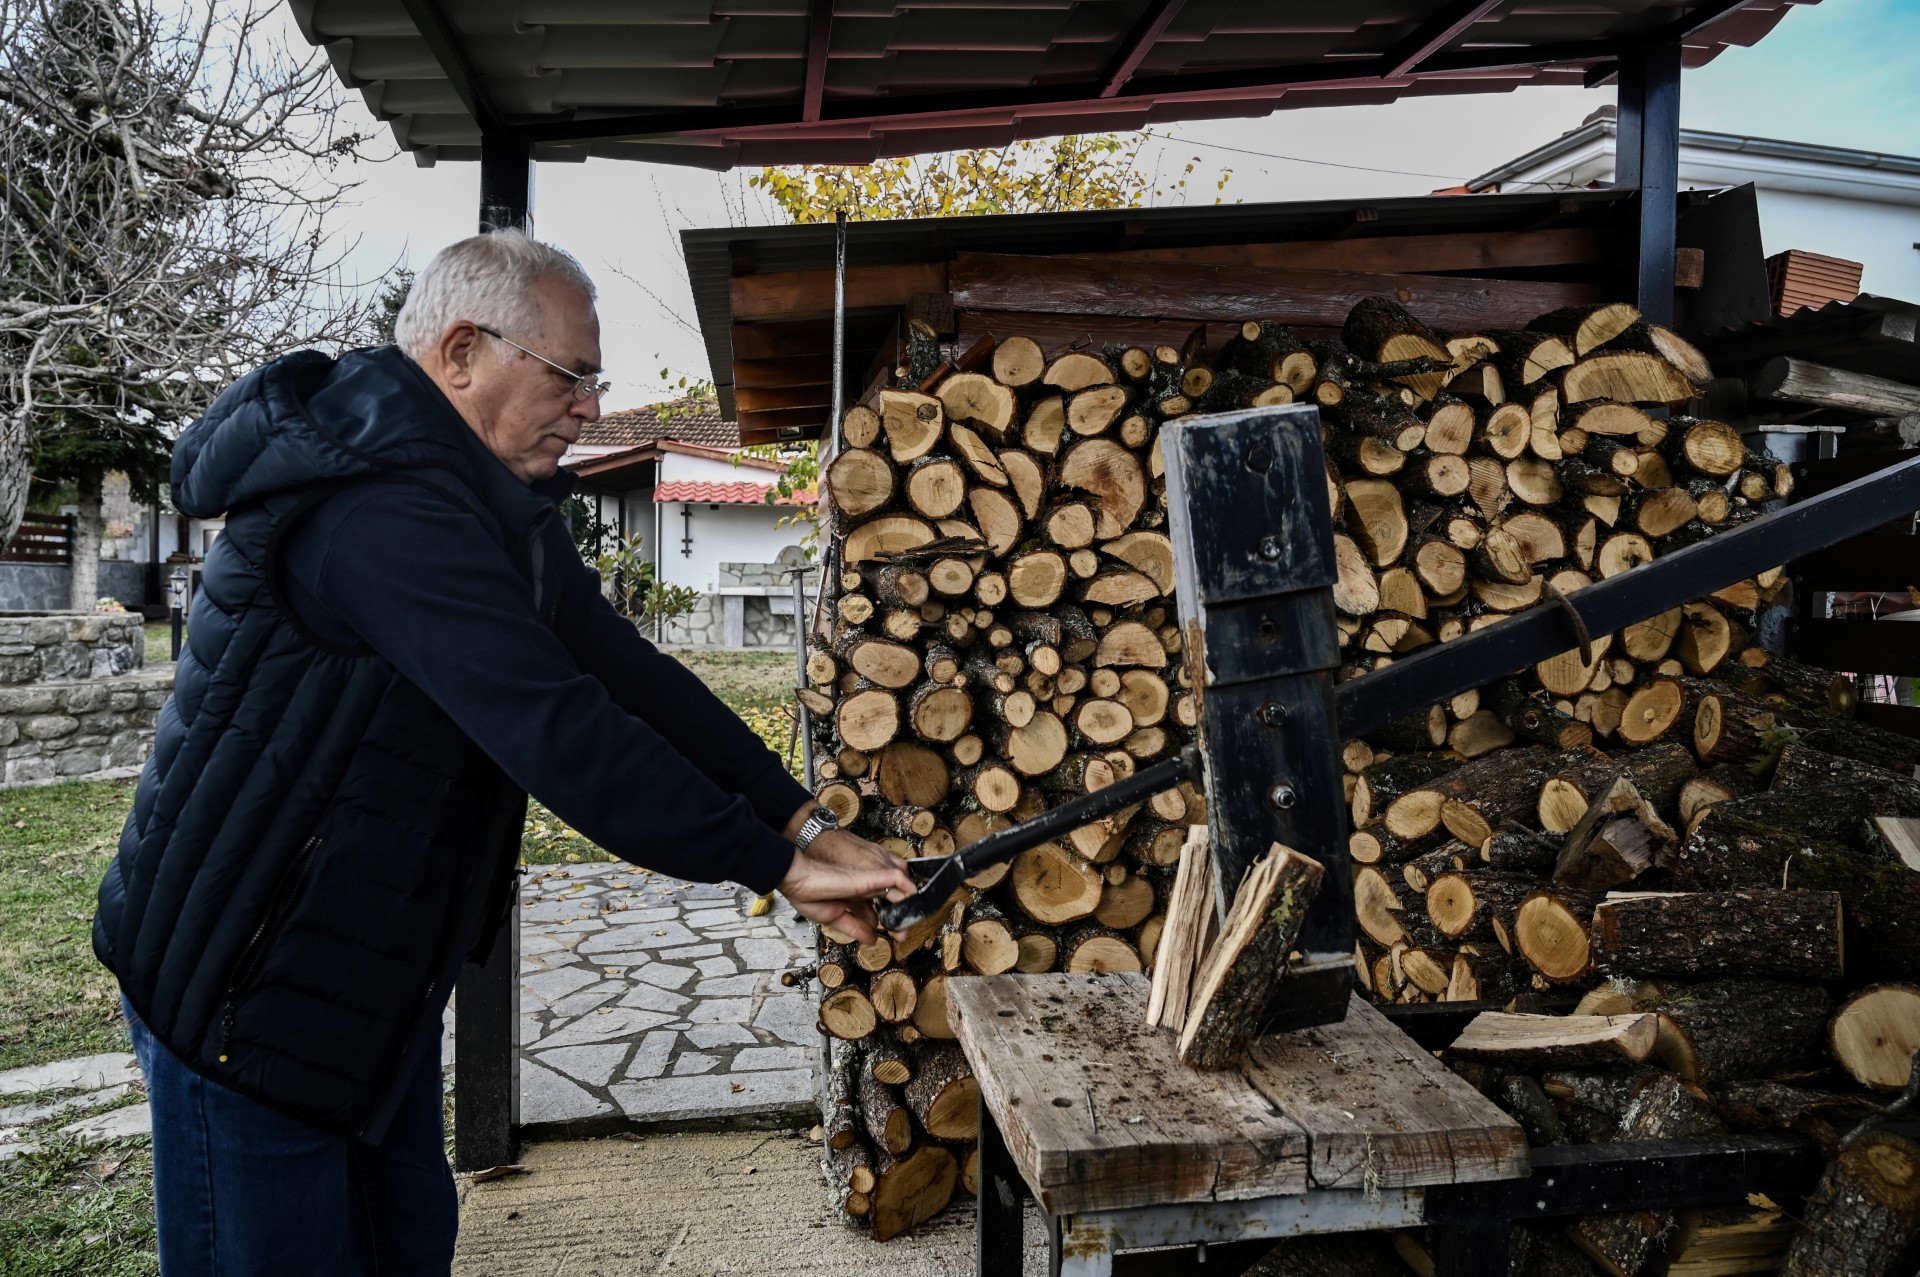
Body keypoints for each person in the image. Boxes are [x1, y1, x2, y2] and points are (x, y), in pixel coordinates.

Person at [92, 231, 915, 1275]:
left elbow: (628, 676)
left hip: (362, 1000)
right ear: (463, 351)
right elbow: (558, 727)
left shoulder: (493, 512)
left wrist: (802, 819)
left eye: (594, 380)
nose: (592, 407)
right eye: (572, 376)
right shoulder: (375, 509)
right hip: (246, 990)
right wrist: (775, 866)